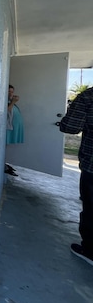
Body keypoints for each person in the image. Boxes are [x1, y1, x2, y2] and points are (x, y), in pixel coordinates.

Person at [59, 86, 93, 266]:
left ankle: (90, 251)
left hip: (92, 166)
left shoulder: (88, 97)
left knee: (91, 209)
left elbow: (70, 127)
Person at [5, 85, 24, 175]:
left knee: (6, 146)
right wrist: (13, 102)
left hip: (13, 127)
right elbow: (6, 111)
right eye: (9, 91)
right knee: (4, 145)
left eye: (12, 91)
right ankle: (3, 165)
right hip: (8, 128)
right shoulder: (6, 101)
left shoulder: (10, 101)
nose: (11, 93)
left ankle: (4, 164)